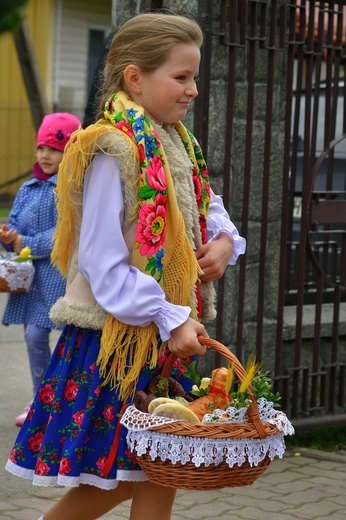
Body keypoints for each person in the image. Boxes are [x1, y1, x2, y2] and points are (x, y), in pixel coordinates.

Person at [5, 13, 246, 520]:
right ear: (135, 77)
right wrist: (169, 314)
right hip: (112, 340)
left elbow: (205, 207)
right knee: (118, 479)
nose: (194, 90)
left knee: (161, 468)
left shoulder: (176, 142)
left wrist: (224, 242)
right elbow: (99, 261)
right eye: (181, 77)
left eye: (194, 77)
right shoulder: (112, 148)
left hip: (155, 336)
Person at [0, 112, 81, 426]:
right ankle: (39, 399)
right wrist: (10, 236)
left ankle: (65, 397)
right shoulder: (28, 188)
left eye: (55, 149)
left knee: (67, 343)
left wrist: (24, 241)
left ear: (70, 152)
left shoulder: (71, 190)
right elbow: (17, 226)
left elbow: (64, 234)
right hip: (29, 282)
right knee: (34, 338)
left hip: (60, 280)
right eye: (41, 148)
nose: (46, 155)